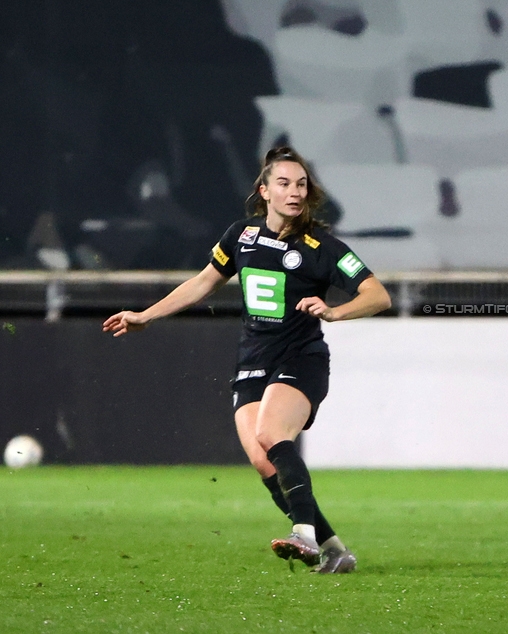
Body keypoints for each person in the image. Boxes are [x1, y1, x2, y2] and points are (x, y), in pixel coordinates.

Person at [103, 146, 391, 574]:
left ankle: (304, 535)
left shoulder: (321, 247)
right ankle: (334, 550)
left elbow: (377, 295)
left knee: (272, 432)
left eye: (301, 184)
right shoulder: (242, 235)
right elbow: (203, 282)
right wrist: (145, 315)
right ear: (264, 191)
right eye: (284, 183)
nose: (294, 192)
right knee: (262, 460)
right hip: (253, 359)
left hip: (302, 357)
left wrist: (334, 311)